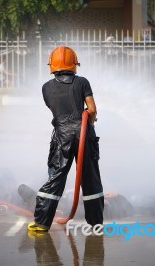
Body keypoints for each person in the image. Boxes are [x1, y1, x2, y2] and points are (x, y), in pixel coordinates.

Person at [28, 46, 104, 232]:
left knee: (56, 177)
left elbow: (55, 110)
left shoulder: (46, 87)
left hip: (62, 137)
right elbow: (92, 110)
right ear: (74, 64)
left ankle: (41, 223)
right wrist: (88, 124)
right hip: (85, 137)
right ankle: (95, 224)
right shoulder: (82, 82)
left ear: (51, 65)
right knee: (90, 178)